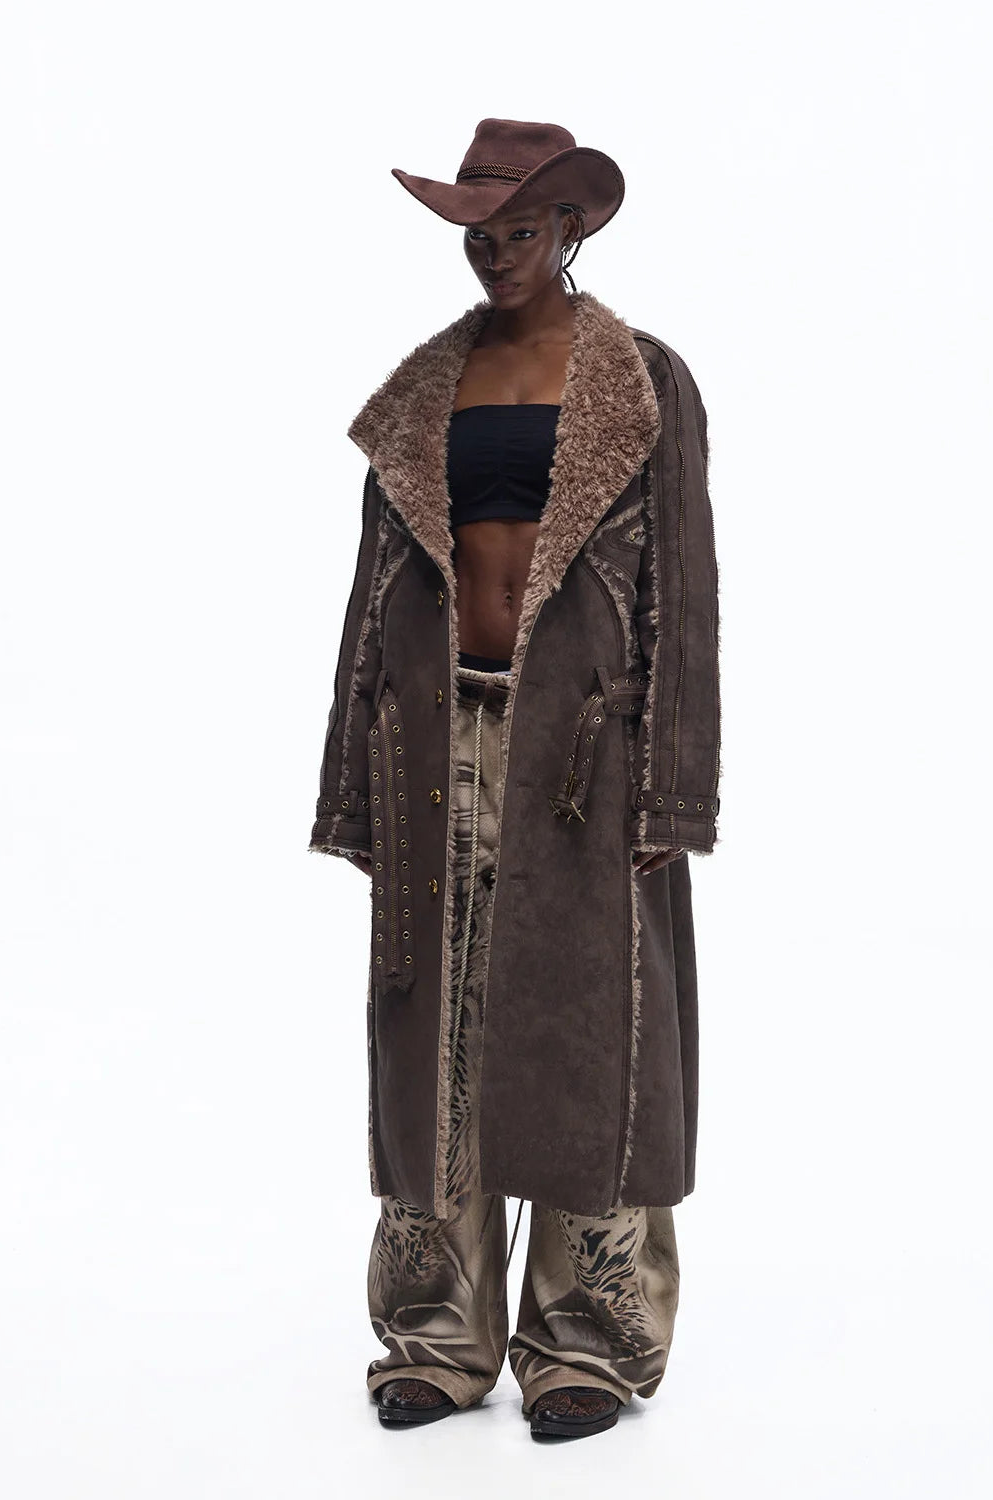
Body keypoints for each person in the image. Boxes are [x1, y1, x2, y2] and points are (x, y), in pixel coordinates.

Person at [307, 118, 722, 1441]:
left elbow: (685, 596)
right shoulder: (426, 389)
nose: (495, 255)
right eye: (478, 236)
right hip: (432, 742)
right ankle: (437, 1333)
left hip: (584, 754)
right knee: (430, 1027)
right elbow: (373, 598)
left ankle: (586, 1340)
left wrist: (675, 790)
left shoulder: (643, 381)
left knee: (595, 1038)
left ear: (572, 229)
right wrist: (350, 783)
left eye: (520, 232)